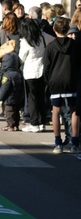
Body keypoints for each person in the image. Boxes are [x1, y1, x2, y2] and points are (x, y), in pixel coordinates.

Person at [44, 17, 79, 154]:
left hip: (55, 81)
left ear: (54, 29)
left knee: (56, 111)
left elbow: (46, 67)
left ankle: (58, 143)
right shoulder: (75, 45)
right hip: (72, 80)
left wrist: (48, 81)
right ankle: (74, 143)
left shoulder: (51, 46)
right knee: (74, 111)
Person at [18, 18, 46, 133]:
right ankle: (42, 122)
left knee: (32, 98)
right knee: (41, 98)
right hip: (42, 70)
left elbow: (21, 58)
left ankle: (34, 123)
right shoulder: (43, 37)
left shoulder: (26, 41)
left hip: (30, 72)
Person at [0, 52, 24, 131]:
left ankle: (11, 125)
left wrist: (0, 97)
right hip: (18, 98)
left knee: (9, 112)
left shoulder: (7, 75)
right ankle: (16, 125)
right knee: (16, 112)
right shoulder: (19, 73)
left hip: (9, 98)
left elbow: (5, 87)